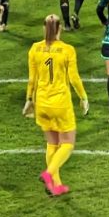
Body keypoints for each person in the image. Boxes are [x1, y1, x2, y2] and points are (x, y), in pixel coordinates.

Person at [23, 14, 89, 197]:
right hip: (61, 103)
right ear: (59, 29)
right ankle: (49, 173)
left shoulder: (35, 49)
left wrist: (29, 99)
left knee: (52, 143)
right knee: (67, 143)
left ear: (43, 28)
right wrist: (83, 97)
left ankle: (56, 185)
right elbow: (74, 78)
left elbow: (32, 79)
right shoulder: (67, 50)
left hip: (42, 103)